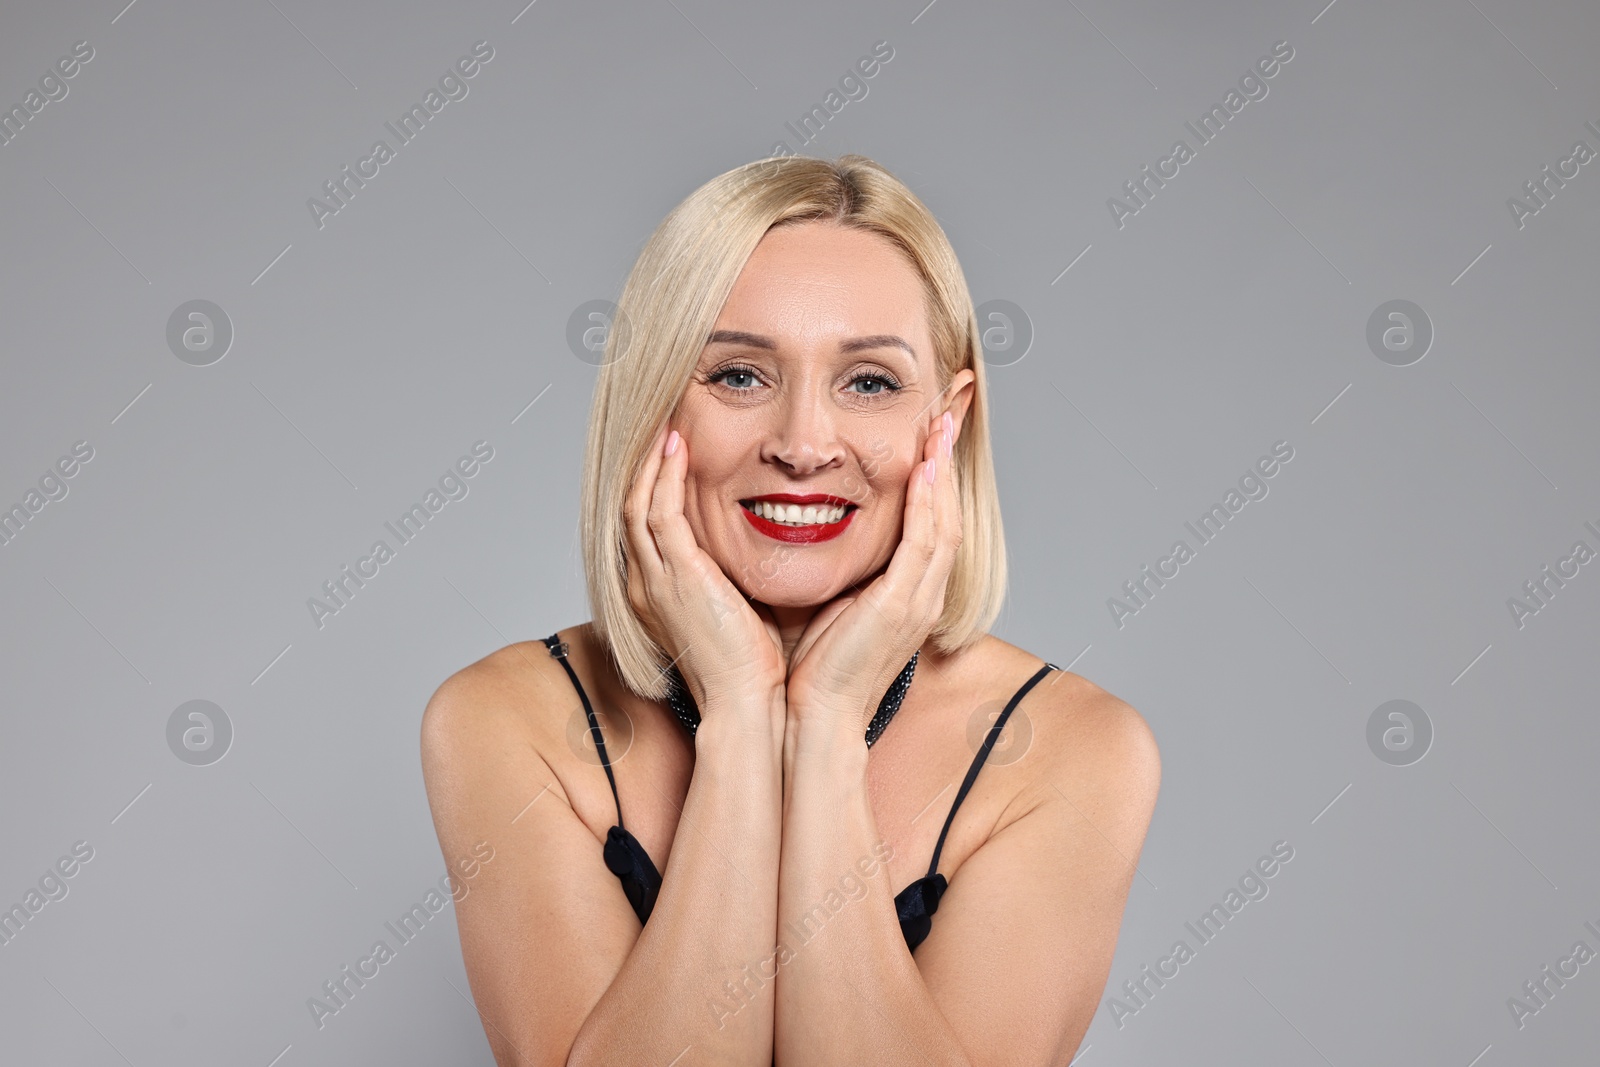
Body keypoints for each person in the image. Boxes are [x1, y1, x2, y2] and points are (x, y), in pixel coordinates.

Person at [421, 153, 1160, 1066]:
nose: (804, 445)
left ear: (949, 420)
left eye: (870, 382)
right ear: (653, 403)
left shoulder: (1074, 750)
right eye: (738, 375)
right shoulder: (504, 721)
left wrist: (826, 724)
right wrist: (738, 711)